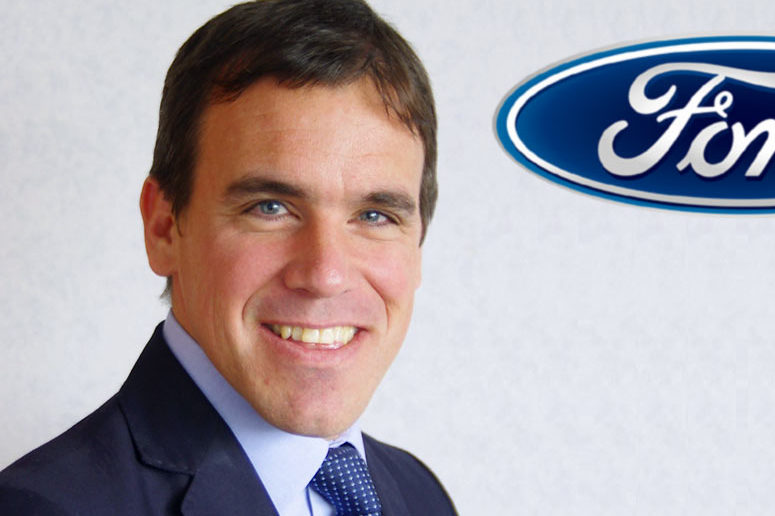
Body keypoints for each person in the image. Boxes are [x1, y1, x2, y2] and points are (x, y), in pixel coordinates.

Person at [0, 0, 456, 514]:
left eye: (375, 216)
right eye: (270, 207)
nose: (326, 275)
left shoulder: (420, 494)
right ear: (164, 228)